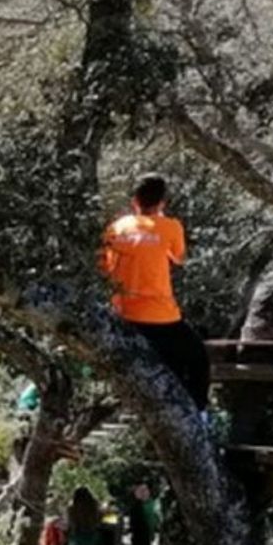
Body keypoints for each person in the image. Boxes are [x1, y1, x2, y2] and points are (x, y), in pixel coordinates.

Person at [101, 174, 210, 408]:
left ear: (134, 201)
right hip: (160, 315)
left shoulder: (115, 228)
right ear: (162, 202)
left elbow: (105, 267)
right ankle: (197, 410)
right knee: (197, 358)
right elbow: (179, 258)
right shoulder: (171, 227)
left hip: (124, 313)